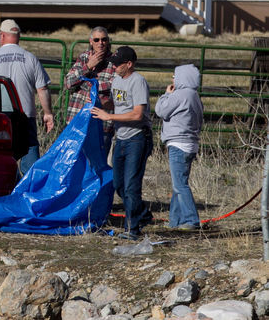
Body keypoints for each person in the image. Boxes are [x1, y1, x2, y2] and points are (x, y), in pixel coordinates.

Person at [0, 19, 53, 176]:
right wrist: (48, 113)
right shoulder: (30, 58)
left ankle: (3, 182)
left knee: (0, 151)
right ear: (18, 37)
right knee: (30, 150)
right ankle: (32, 185)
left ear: (2, 36)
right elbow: (42, 88)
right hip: (25, 115)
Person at [91, 46, 153, 240]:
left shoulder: (138, 82)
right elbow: (116, 103)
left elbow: (137, 114)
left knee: (131, 186)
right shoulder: (117, 80)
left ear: (129, 64)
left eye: (118, 63)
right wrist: (99, 104)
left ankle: (132, 229)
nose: (114, 66)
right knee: (118, 183)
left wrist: (109, 116)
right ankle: (142, 215)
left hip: (138, 138)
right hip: (122, 138)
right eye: (114, 63)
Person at [155, 64, 203, 230]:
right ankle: (175, 221)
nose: (173, 79)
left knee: (179, 185)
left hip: (178, 144)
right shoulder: (195, 96)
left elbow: (160, 110)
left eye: (175, 76)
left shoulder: (179, 95)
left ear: (183, 78)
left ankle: (191, 220)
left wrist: (166, 95)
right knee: (179, 183)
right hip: (191, 144)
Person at [65, 26, 116, 157]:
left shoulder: (114, 61)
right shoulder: (84, 57)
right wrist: (88, 66)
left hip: (102, 124)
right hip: (77, 120)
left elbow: (115, 84)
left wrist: (88, 83)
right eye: (97, 40)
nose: (100, 43)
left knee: (97, 163)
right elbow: (69, 83)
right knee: (73, 161)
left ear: (108, 41)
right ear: (91, 41)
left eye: (104, 39)